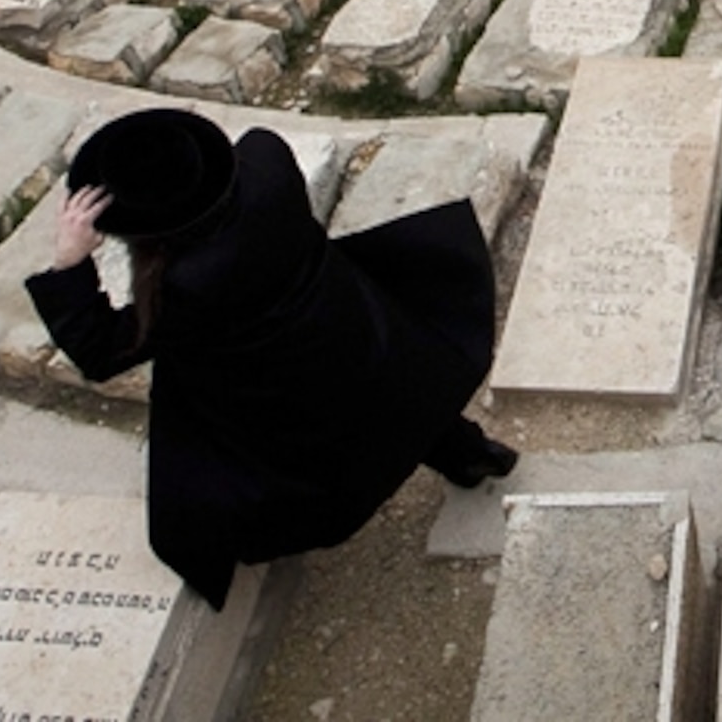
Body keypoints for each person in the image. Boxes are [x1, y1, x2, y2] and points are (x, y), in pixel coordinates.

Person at [26, 108, 515, 608]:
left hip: (280, 380)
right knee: (401, 393)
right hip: (347, 321)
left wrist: (70, 264)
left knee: (274, 459)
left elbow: (100, 350)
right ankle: (473, 455)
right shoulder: (267, 158)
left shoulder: (186, 289)